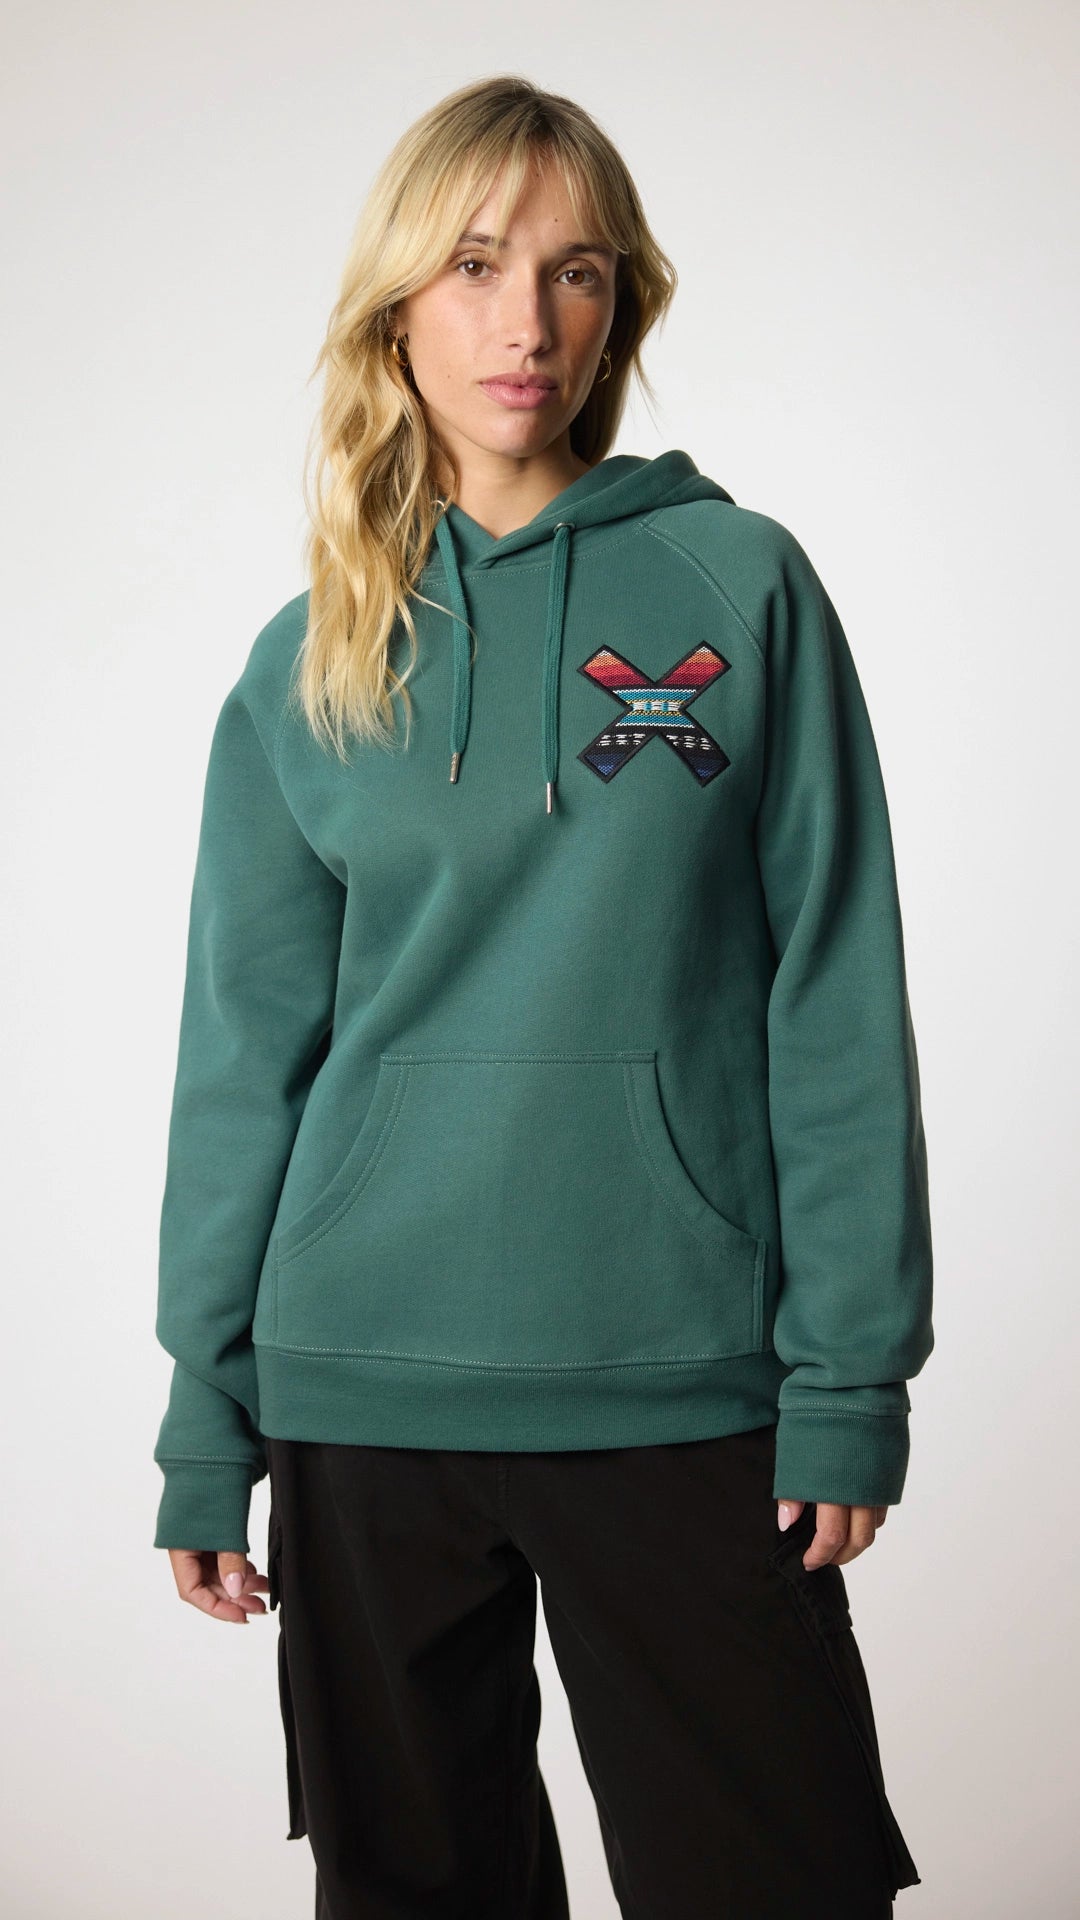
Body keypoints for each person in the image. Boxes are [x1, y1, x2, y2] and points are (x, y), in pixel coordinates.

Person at [152, 73, 935, 1920]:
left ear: (620, 304)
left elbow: (836, 994)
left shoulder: (738, 585)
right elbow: (244, 1057)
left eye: (576, 272)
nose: (527, 322)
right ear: (396, 307)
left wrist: (847, 1382)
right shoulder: (314, 653)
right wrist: (206, 1414)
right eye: (477, 265)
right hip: (363, 1397)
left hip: (679, 1376)